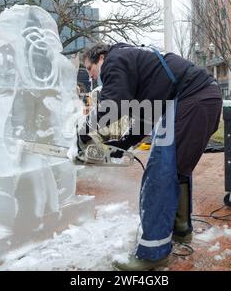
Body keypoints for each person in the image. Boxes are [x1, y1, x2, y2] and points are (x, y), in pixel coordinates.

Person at [80, 43, 223, 271]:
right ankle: (181, 229)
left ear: (100, 57)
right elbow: (146, 117)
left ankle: (153, 253)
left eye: (89, 68)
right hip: (201, 97)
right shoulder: (138, 64)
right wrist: (123, 143)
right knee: (175, 170)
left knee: (160, 174)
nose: (91, 75)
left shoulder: (116, 59)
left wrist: (84, 130)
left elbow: (112, 103)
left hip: (192, 99)